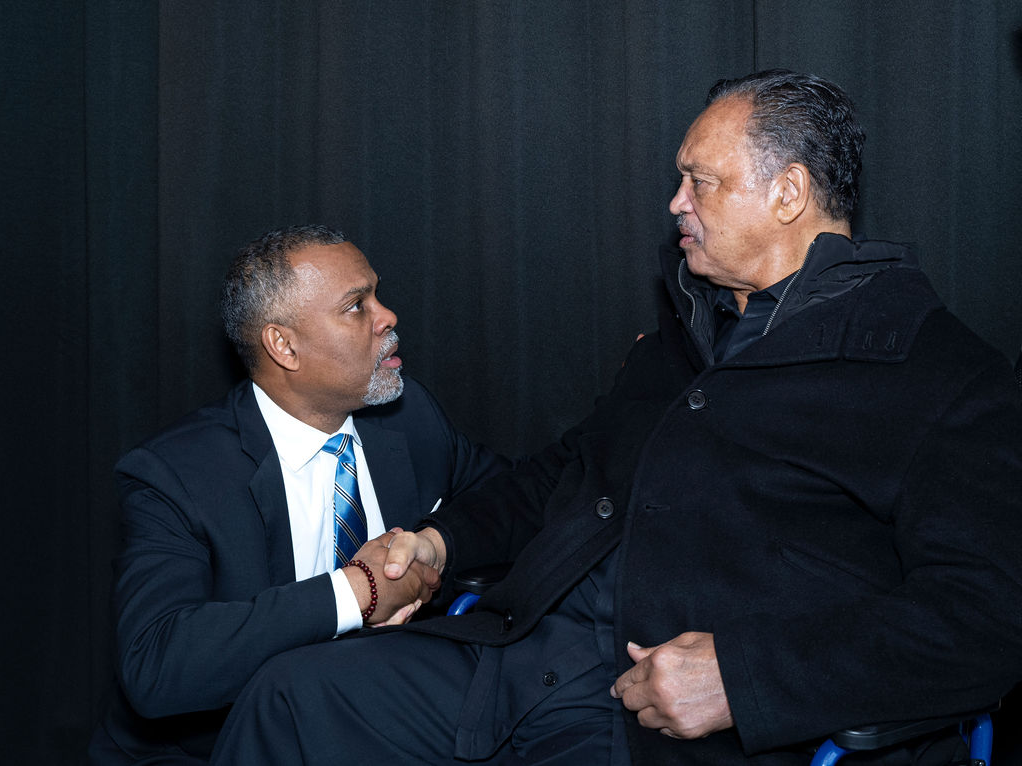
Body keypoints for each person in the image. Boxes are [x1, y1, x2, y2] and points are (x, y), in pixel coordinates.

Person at [209, 72, 1022, 766]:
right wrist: (439, 540)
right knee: (287, 696)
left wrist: (745, 678)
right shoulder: (678, 342)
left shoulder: (940, 376)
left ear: (789, 193)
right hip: (527, 656)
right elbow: (566, 471)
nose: (676, 204)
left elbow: (984, 620)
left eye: (700, 181)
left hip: (666, 725)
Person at [87, 225, 511, 763]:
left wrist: (432, 542)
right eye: (357, 306)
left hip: (384, 727)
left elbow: (512, 501)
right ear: (283, 345)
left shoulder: (409, 417)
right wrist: (358, 591)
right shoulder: (176, 475)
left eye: (376, 294)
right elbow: (157, 666)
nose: (388, 317)